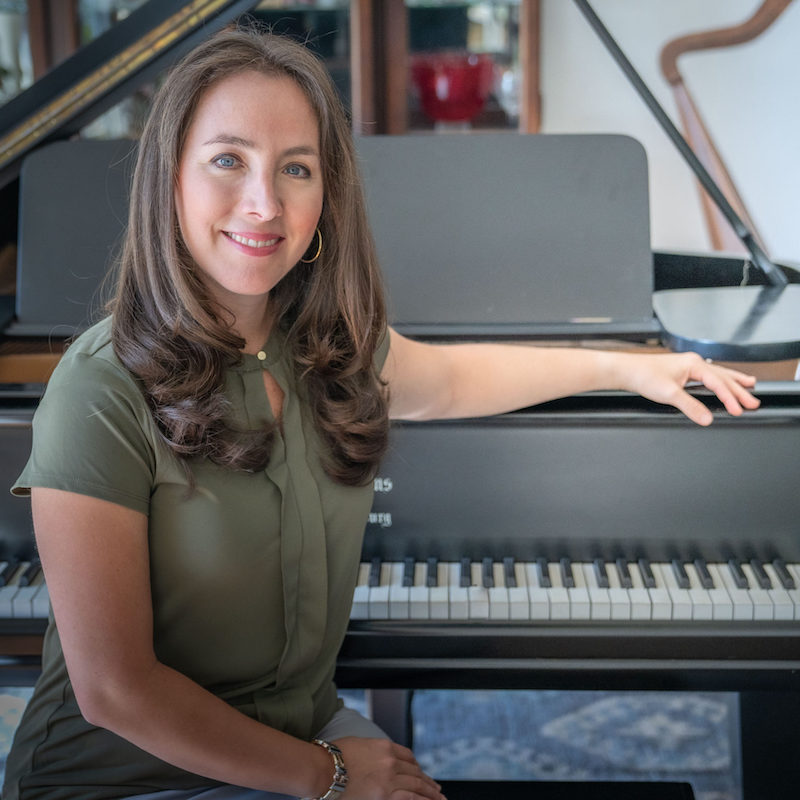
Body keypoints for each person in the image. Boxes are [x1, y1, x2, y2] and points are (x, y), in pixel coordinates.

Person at [4, 23, 760, 800]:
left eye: (295, 168)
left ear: (325, 192)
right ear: (168, 178)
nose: (264, 203)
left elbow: (459, 378)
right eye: (228, 159)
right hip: (122, 777)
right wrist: (327, 775)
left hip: (295, 727)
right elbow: (114, 689)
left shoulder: (328, 350)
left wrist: (633, 366)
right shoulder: (98, 387)